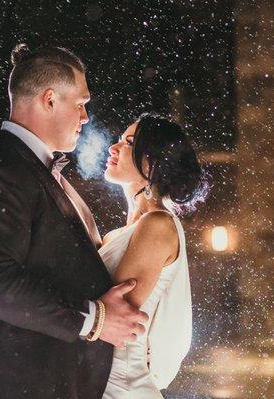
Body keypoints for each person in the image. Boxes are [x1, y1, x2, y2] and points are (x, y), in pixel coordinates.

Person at [0, 44, 148, 399]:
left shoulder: (35, 170)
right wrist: (96, 320)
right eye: (81, 103)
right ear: (50, 100)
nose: (86, 117)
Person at [101, 114, 207, 398]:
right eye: (120, 140)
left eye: (129, 143)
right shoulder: (114, 236)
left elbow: (113, 312)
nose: (114, 147)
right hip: (96, 377)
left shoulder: (158, 225)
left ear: (154, 162)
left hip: (121, 383)